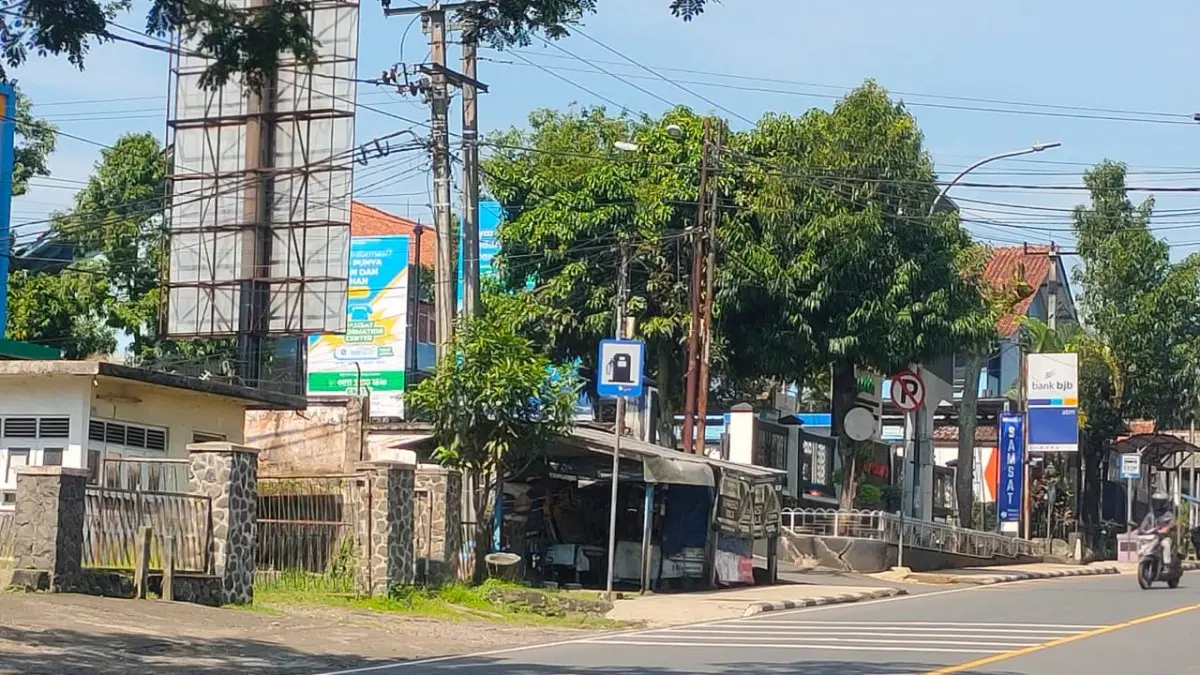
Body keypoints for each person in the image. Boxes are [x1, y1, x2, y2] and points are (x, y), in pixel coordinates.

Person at [1139, 491, 1176, 564]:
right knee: (1142, 547)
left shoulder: (1168, 515)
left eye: (1159, 502)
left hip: (1164, 537)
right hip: (1151, 538)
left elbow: (1172, 525)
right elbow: (1142, 527)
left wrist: (1167, 529)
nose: (1156, 504)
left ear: (1163, 503)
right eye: (1155, 502)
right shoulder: (1150, 515)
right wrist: (1143, 530)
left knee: (1166, 544)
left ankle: (1166, 565)